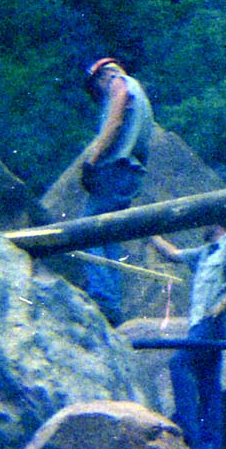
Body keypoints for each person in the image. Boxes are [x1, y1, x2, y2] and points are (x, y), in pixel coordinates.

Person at [150, 224, 226, 449]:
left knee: (179, 363)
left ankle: (189, 432)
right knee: (208, 382)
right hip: (200, 323)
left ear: (218, 223)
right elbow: (172, 254)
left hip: (213, 321)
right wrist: (150, 233)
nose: (200, 225)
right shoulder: (204, 252)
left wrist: (223, 305)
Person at [80, 57, 154, 325]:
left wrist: (91, 161)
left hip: (115, 169)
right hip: (131, 173)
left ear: (101, 77)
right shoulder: (140, 92)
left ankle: (104, 300)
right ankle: (111, 304)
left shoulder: (118, 83)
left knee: (87, 232)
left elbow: (114, 122)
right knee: (109, 237)